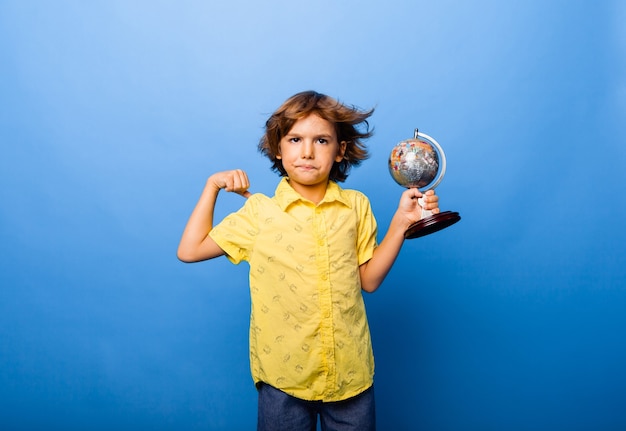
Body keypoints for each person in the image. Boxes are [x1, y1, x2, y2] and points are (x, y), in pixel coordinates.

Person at [177, 91, 440, 431]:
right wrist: (212, 186)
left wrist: (401, 224)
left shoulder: (355, 206)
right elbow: (190, 250)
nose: (307, 151)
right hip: (283, 379)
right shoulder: (260, 212)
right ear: (278, 148)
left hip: (350, 375)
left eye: (321, 140)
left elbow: (369, 280)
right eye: (295, 139)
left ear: (340, 150)